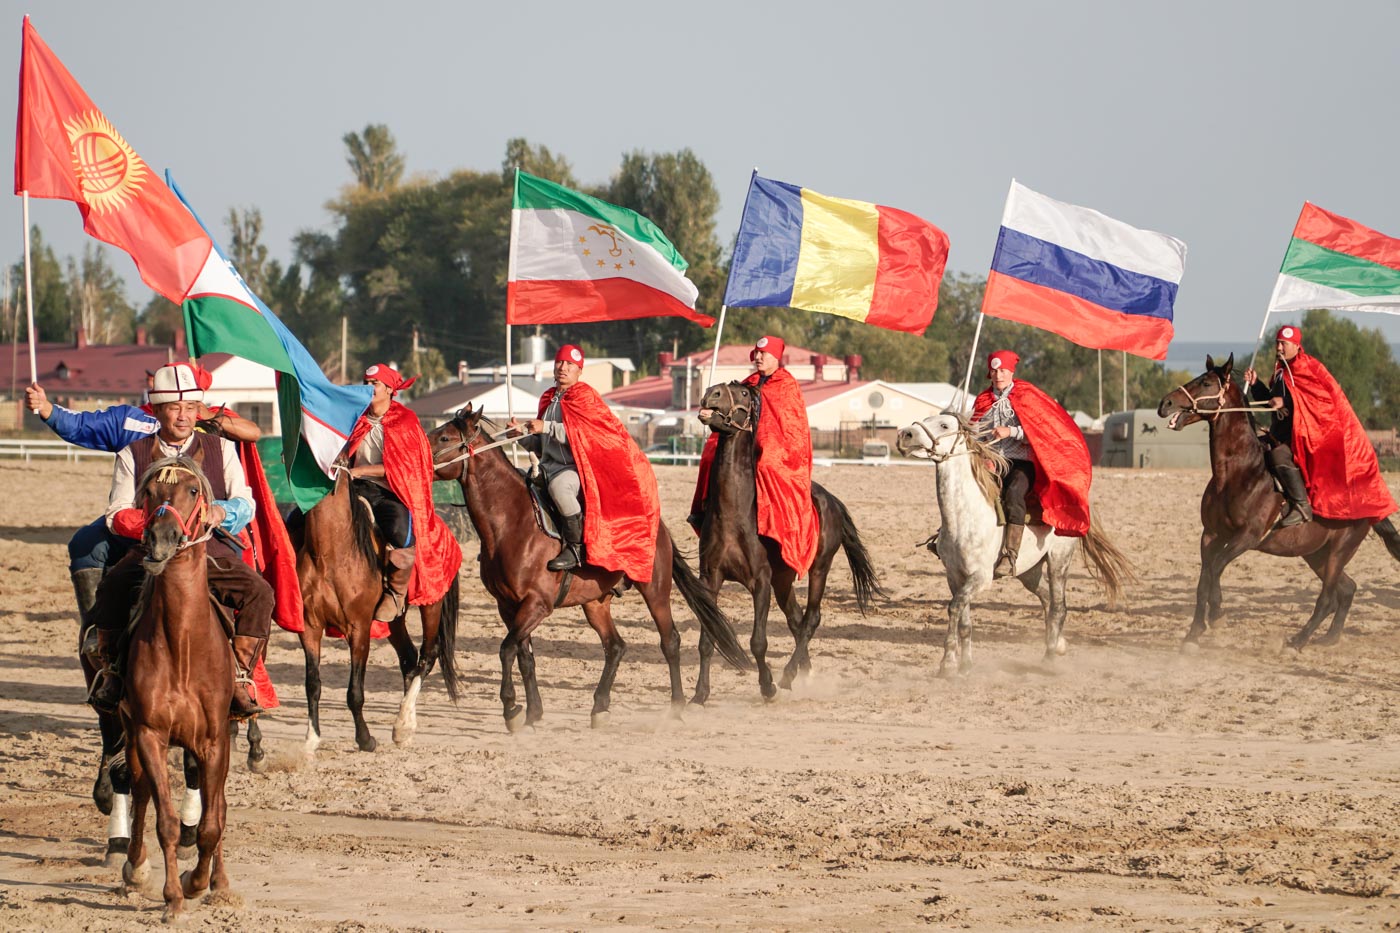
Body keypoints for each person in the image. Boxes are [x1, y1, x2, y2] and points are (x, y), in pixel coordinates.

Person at [88, 363, 273, 719]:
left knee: (259, 592)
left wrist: (219, 513)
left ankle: (238, 673)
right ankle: (111, 671)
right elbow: (116, 514)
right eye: (174, 408)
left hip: (210, 552)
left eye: (190, 408)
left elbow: (245, 501)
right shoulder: (133, 453)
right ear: (156, 410)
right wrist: (158, 522)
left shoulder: (221, 449)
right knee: (111, 586)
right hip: (151, 553)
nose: (184, 416)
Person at [512, 345, 660, 581]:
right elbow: (540, 446)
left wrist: (546, 427)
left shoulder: (585, 396)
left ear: (579, 371)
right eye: (560, 362)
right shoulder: (549, 399)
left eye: (570, 365)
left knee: (559, 488)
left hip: (575, 468)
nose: (563, 368)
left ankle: (575, 548)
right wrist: (520, 437)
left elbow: (589, 433)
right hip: (547, 466)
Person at [690, 335, 819, 576]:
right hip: (742, 442)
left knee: (767, 463)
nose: (758, 358)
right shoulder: (748, 383)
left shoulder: (786, 385)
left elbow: (789, 427)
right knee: (710, 455)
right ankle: (703, 511)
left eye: (763, 354)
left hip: (776, 447)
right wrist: (714, 415)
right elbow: (733, 411)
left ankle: (777, 521)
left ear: (776, 357)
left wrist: (761, 439)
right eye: (756, 354)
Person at [1244, 324, 1397, 526]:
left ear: (1297, 346)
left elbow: (1319, 400)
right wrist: (1256, 384)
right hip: (1279, 433)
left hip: (1302, 437)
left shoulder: (1308, 367)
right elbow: (1271, 402)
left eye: (1284, 344)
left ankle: (1301, 506)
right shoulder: (1281, 372)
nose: (1279, 348)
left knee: (1279, 454)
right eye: (1277, 343)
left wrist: (1287, 402)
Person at [342, 363, 462, 620]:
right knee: (304, 517)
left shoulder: (404, 420)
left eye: (374, 384)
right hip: (353, 486)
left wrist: (361, 471)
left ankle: (395, 593)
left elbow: (404, 466)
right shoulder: (355, 416)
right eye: (365, 383)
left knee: (400, 531)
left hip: (388, 491)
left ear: (389, 389)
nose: (368, 388)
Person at [971, 350, 1092, 578]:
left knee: (1014, 493)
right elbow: (975, 432)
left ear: (1011, 372)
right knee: (965, 489)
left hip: (1021, 462)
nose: (998, 375)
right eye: (994, 371)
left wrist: (1011, 431)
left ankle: (1010, 554)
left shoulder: (1027, 396)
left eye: (1003, 371)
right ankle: (948, 538)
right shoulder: (983, 400)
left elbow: (1041, 433)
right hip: (992, 462)